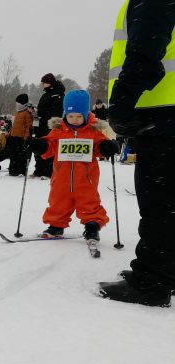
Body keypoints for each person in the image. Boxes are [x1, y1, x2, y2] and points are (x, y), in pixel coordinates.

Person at [98, 0, 175, 307]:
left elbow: (147, 44)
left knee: (161, 202)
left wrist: (122, 99)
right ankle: (165, 271)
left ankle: (152, 282)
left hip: (163, 113)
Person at [26, 90, 117, 240]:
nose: (75, 119)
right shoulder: (59, 131)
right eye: (71, 116)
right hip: (61, 177)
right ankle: (56, 225)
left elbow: (99, 146)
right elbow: (50, 144)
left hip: (86, 178)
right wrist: (40, 145)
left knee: (89, 201)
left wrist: (106, 147)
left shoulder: (92, 131)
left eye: (79, 116)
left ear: (86, 115)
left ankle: (92, 225)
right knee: (58, 201)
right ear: (64, 115)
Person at [33, 73, 66, 178]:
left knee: (49, 147)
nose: (42, 84)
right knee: (40, 148)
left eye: (44, 82)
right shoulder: (46, 93)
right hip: (41, 125)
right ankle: (39, 170)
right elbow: (42, 109)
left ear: (49, 83)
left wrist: (41, 113)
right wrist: (36, 112)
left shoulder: (58, 94)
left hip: (50, 126)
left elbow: (56, 112)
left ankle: (48, 172)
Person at [5, 94, 34, 176]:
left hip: (21, 138)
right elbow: (14, 125)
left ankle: (21, 170)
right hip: (14, 136)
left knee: (21, 155)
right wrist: (10, 133)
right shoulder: (18, 112)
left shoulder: (27, 113)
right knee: (13, 155)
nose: (16, 105)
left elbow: (29, 126)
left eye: (18, 103)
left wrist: (26, 137)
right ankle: (13, 170)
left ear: (22, 103)